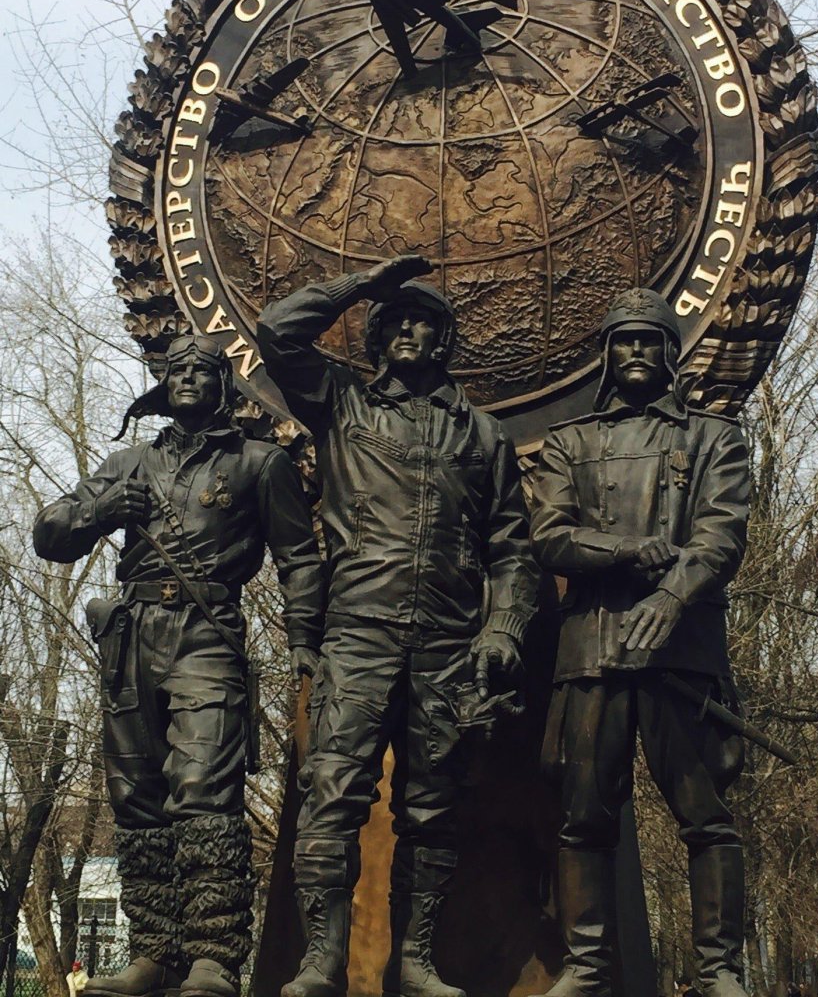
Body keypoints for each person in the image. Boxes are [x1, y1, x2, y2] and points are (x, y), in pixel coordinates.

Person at [256, 256, 540, 997]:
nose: (410, 331)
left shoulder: (482, 435)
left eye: (425, 323)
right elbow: (277, 332)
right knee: (334, 790)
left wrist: (503, 627)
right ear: (378, 336)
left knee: (433, 808)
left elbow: (512, 546)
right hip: (359, 631)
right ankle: (321, 961)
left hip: (447, 645)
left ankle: (413, 961)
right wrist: (362, 286)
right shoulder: (342, 403)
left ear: (444, 341)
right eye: (396, 322)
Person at [34, 336, 324, 997]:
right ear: (163, 387)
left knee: (202, 788)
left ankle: (214, 957)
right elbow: (49, 533)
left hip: (206, 633)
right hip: (132, 639)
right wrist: (103, 511)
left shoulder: (259, 464)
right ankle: (155, 954)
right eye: (177, 370)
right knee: (136, 798)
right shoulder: (130, 463)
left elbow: (300, 559)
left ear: (224, 386)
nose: (188, 377)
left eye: (203, 370)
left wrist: (305, 638)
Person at [529, 288, 751, 997]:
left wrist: (670, 595)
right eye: (622, 339)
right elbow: (550, 535)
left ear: (668, 352)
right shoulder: (572, 441)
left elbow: (720, 533)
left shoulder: (714, 438)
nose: (634, 352)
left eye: (647, 340)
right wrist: (628, 553)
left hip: (680, 651)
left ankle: (720, 970)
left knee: (705, 813)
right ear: (607, 352)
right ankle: (588, 964)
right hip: (591, 650)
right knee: (584, 815)